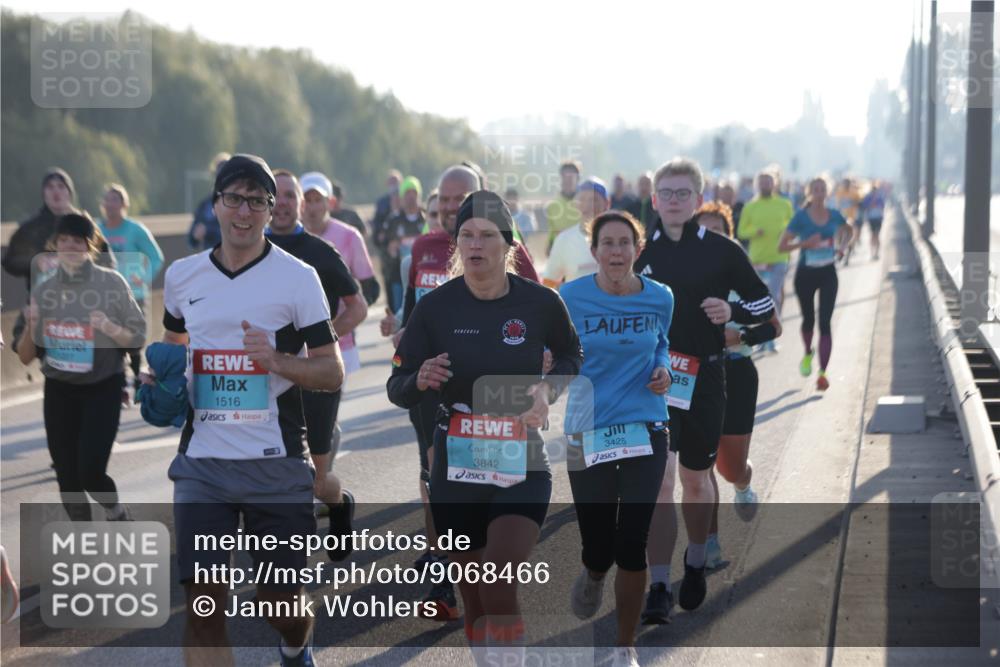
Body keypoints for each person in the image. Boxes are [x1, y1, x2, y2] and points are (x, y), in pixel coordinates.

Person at [158, 154, 344, 666]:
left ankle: (295, 644)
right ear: (216, 204)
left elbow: (331, 372)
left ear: (270, 210)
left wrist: (276, 361)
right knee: (202, 608)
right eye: (233, 199)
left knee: (278, 602)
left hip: (276, 461)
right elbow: (174, 346)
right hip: (203, 464)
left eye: (256, 201)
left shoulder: (298, 278)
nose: (244, 212)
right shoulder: (182, 276)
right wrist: (163, 382)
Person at [387, 190, 582, 663]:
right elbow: (398, 385)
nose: (475, 245)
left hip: (521, 459)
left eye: (487, 236)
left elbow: (573, 356)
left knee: (497, 577)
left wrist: (546, 391)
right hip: (456, 465)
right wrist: (421, 377)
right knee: (473, 593)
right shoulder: (434, 308)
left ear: (509, 245)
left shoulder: (541, 303)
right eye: (466, 236)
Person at [380, 165, 540, 621]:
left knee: (482, 473)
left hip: (490, 385)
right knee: (435, 470)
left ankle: (485, 561)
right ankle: (442, 569)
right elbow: (414, 310)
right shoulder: (422, 249)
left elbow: (537, 309)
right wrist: (403, 333)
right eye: (445, 201)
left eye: (460, 200)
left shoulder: (512, 250)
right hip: (434, 380)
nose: (450, 208)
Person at [635, 158, 775, 623]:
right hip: (651, 382)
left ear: (698, 199)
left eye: (683, 194)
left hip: (705, 379)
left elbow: (765, 309)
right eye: (666, 193)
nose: (673, 202)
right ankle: (658, 585)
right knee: (660, 484)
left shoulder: (722, 250)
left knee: (696, 480)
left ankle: (695, 561)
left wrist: (731, 310)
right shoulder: (635, 251)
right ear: (654, 199)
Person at [560, 210, 673, 667]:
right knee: (599, 544)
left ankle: (625, 645)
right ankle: (591, 570)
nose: (616, 251)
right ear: (594, 251)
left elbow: (661, 341)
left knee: (633, 540)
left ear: (637, 249)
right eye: (607, 243)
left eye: (625, 242)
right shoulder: (569, 297)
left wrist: (663, 368)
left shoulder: (660, 297)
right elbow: (556, 351)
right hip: (586, 430)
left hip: (645, 426)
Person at [17, 212, 145, 523]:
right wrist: (32, 324)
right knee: (67, 479)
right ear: (55, 245)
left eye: (78, 241)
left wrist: (110, 327)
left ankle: (115, 512)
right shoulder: (44, 291)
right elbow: (24, 357)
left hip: (102, 387)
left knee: (90, 472)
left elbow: (137, 336)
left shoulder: (111, 283)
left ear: (90, 246)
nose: (71, 247)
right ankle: (85, 547)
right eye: (64, 241)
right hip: (60, 391)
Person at [268, 168, 366, 561]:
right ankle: (285, 559)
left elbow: (358, 306)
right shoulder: (249, 252)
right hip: (269, 377)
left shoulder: (322, 253)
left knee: (316, 479)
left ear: (303, 203)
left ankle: (339, 503)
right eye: (277, 195)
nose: (287, 202)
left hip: (317, 376)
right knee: (273, 468)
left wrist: (319, 345)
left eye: (294, 195)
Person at [695, 205, 782, 568]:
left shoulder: (740, 277)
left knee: (729, 468)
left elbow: (773, 327)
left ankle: (743, 483)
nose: (709, 238)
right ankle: (709, 543)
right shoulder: (679, 278)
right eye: (702, 232)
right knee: (700, 467)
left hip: (737, 373)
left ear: (728, 236)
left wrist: (739, 335)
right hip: (694, 375)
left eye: (717, 231)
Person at [4, 168, 116, 355]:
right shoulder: (30, 228)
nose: (55, 192)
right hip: (43, 301)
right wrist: (36, 262)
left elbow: (108, 261)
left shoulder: (85, 223)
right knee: (45, 355)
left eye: (61, 186)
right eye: (50, 187)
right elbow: (9, 261)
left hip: (85, 302)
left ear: (69, 192)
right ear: (43, 192)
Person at [300, 171, 381, 370]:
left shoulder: (349, 236)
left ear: (331, 203)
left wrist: (344, 321)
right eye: (307, 200)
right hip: (298, 349)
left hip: (342, 345)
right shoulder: (285, 240)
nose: (312, 207)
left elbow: (370, 288)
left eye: (318, 200)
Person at [779, 177, 854, 391]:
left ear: (827, 192)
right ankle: (807, 352)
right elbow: (781, 246)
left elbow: (849, 230)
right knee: (808, 320)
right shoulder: (801, 217)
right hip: (805, 274)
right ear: (809, 193)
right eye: (816, 190)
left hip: (828, 273)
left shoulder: (834, 215)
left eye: (823, 189)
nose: (820, 193)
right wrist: (804, 243)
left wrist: (842, 248)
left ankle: (822, 373)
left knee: (825, 322)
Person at [97, 183, 165, 398]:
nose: (110, 204)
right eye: (107, 200)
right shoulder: (96, 229)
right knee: (110, 337)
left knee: (134, 338)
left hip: (133, 293)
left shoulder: (135, 230)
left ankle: (136, 377)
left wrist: (144, 278)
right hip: (106, 294)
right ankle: (118, 380)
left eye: (115, 199)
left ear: (124, 204)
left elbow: (156, 257)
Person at [736, 170, 793, 352]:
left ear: (774, 183)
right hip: (757, 259)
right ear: (757, 184)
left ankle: (771, 336)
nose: (765, 185)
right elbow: (741, 232)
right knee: (758, 299)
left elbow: (792, 227)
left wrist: (784, 232)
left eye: (768, 181)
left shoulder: (784, 204)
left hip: (779, 257)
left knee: (774, 296)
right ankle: (760, 337)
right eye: (762, 182)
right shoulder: (750, 206)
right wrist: (755, 232)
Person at [542, 177, 609, 288]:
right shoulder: (564, 239)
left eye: (594, 200)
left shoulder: (620, 238)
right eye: (582, 199)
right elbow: (549, 282)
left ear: (607, 203)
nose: (588, 205)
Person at [383, 176, 427, 312]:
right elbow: (387, 247)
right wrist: (393, 250)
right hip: (398, 277)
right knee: (400, 315)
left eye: (414, 192)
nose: (411, 197)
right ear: (401, 197)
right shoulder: (394, 220)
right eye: (407, 193)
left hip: (424, 276)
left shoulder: (427, 217)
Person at [187, 152, 230, 251]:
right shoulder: (205, 205)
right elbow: (191, 240)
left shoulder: (241, 204)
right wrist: (195, 235)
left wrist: (209, 231)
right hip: (211, 259)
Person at [544, 160, 582, 252]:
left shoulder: (587, 203)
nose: (568, 180)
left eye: (571, 177)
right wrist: (549, 247)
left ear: (578, 178)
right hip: (561, 252)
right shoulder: (552, 206)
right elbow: (551, 233)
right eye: (565, 176)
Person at [626, 172, 661, 237]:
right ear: (637, 186)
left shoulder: (658, 207)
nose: (644, 187)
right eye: (641, 184)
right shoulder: (629, 207)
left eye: (647, 184)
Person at [859, 180, 886, 260]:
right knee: (872, 235)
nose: (874, 192)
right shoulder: (868, 197)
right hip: (871, 218)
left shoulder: (880, 197)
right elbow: (864, 206)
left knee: (877, 235)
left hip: (878, 218)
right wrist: (870, 205)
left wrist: (876, 205)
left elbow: (883, 206)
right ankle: (872, 253)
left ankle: (877, 253)